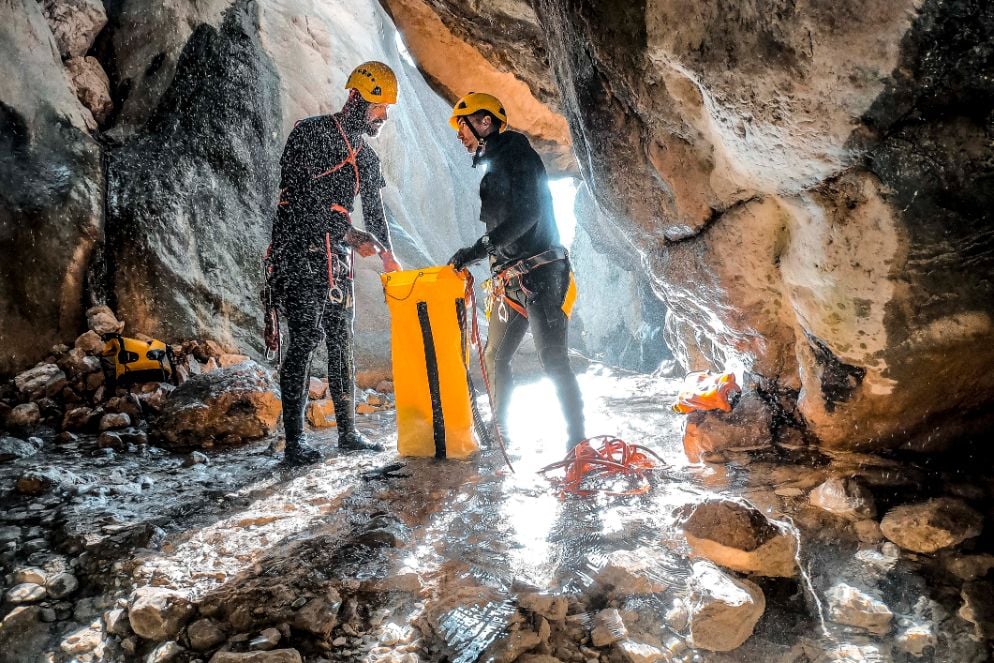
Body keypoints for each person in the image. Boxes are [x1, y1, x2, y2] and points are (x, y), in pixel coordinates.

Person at [268, 61, 402, 465]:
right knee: (305, 339)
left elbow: (376, 216)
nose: (384, 116)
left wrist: (389, 258)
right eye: (379, 107)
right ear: (356, 97)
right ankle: (294, 443)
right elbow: (300, 198)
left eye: (387, 109)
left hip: (336, 260)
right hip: (298, 251)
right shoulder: (310, 132)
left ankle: (348, 433)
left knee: (342, 343)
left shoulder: (367, 157)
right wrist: (350, 235)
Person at [446, 92, 585, 450]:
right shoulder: (493, 167)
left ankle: (577, 443)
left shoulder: (517, 153)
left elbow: (527, 216)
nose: (459, 135)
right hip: (510, 280)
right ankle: (501, 431)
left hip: (542, 274)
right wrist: (487, 267)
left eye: (462, 126)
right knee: (494, 355)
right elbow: (503, 228)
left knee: (552, 357)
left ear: (484, 122)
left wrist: (476, 250)